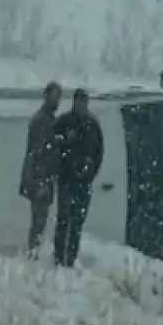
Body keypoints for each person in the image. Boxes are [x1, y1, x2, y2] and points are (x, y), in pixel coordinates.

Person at [52, 88, 104, 267]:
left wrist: (89, 174)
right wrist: (66, 140)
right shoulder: (64, 122)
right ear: (74, 102)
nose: (81, 104)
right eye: (79, 101)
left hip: (83, 182)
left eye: (84, 101)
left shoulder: (92, 125)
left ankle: (71, 259)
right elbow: (52, 145)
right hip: (67, 179)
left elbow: (98, 154)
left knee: (77, 224)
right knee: (63, 220)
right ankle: (59, 257)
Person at [20, 81, 62, 257]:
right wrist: (40, 181)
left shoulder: (47, 119)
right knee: (39, 218)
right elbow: (37, 154)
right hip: (40, 178)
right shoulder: (42, 121)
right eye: (54, 96)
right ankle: (33, 251)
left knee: (40, 219)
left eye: (58, 97)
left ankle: (34, 250)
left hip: (44, 177)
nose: (57, 100)